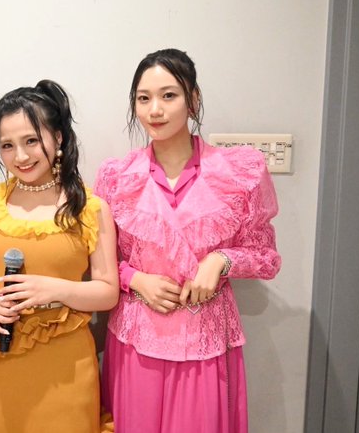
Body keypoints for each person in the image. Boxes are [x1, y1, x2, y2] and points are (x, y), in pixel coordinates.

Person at [95, 49, 281, 433]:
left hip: (204, 339)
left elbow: (266, 256)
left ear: (192, 99)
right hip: (136, 339)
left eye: (169, 95)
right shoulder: (116, 177)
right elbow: (97, 258)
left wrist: (221, 260)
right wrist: (135, 279)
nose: (155, 110)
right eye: (143, 98)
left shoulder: (238, 173)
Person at [0, 80, 119, 433]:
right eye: (7, 145)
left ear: (57, 138)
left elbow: (108, 292)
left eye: (31, 140)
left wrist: (53, 289)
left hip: (64, 363)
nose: (21, 156)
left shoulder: (90, 208)